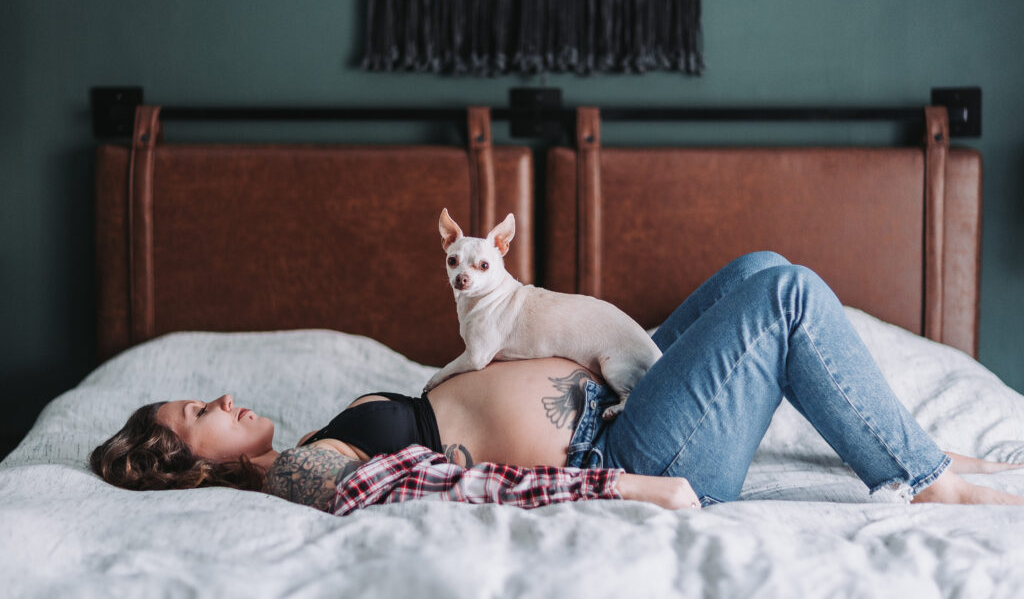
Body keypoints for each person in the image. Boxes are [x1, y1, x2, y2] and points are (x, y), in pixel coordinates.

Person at [90, 252, 1024, 513]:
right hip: (626, 445)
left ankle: (908, 440)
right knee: (784, 295)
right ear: (192, 465)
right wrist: (618, 483)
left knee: (756, 267)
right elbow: (455, 479)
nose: (223, 399)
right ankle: (921, 471)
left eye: (205, 394)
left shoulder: (316, 432)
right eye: (199, 414)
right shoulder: (300, 472)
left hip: (620, 391)